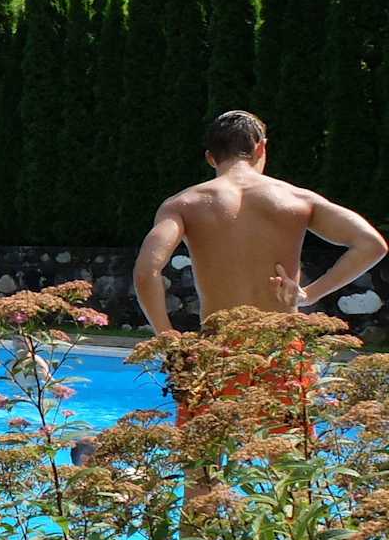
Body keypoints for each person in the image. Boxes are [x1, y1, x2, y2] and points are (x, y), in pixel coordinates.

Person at [133, 109, 386, 424]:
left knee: (206, 450)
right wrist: (309, 294)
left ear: (211, 157)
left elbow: (146, 271)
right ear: (261, 148)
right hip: (281, 348)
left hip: (218, 350)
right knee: (289, 452)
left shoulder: (184, 204)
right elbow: (372, 244)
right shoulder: (296, 198)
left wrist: (169, 340)